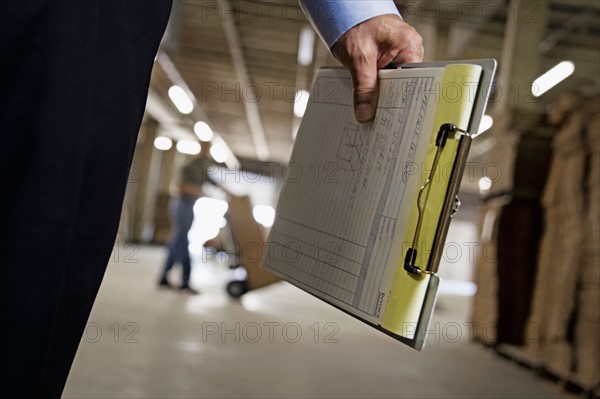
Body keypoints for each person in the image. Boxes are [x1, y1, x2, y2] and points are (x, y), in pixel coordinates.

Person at [0, 1, 423, 397]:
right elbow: (188, 188)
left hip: (77, 19)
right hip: (182, 204)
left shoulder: (202, 164)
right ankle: (174, 278)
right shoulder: (191, 168)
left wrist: (354, 10)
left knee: (36, 241)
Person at [158, 144, 222, 294]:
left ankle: (163, 277)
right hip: (182, 204)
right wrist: (203, 192)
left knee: (177, 241)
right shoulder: (188, 166)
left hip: (191, 205)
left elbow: (215, 183)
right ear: (200, 148)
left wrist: (231, 195)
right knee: (182, 241)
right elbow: (182, 187)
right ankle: (185, 281)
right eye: (204, 148)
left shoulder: (203, 167)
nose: (206, 152)